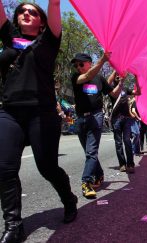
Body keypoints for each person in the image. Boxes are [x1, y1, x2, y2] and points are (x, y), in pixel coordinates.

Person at [0, 1, 78, 242]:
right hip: (9, 112)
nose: (25, 13)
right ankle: (13, 225)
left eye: (32, 12)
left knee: (47, 167)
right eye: (22, 11)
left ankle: (68, 199)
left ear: (41, 22)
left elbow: (54, 4)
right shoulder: (10, 38)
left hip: (41, 113)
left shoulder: (49, 41)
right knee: (4, 169)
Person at [71, 52, 123, 198]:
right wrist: (103, 60)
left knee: (91, 152)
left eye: (81, 64)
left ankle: (86, 182)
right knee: (88, 152)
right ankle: (99, 174)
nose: (78, 67)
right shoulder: (76, 77)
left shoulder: (99, 79)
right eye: (76, 65)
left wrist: (121, 83)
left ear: (89, 63)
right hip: (81, 119)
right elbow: (86, 77)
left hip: (96, 116)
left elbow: (112, 94)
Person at [108, 73, 140, 173]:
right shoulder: (111, 89)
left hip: (126, 119)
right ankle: (122, 164)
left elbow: (138, 92)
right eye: (116, 76)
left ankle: (130, 164)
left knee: (127, 141)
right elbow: (108, 81)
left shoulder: (125, 89)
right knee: (118, 143)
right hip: (116, 119)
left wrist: (136, 78)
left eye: (120, 75)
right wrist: (115, 71)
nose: (119, 77)